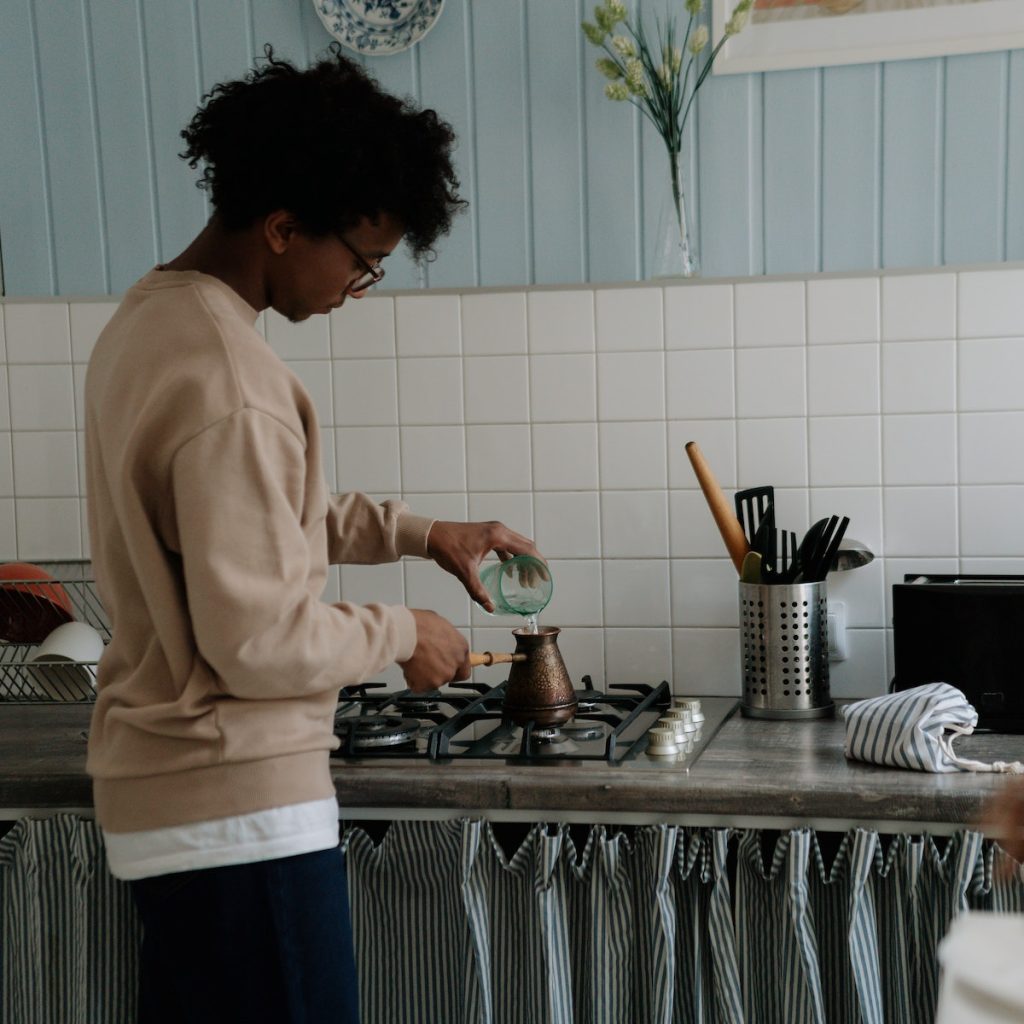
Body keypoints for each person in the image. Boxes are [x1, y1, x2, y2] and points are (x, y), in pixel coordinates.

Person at [83, 45, 541, 1024]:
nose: (358, 287)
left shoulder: (149, 323)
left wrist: (424, 531)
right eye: (363, 261)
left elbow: (252, 515)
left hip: (182, 812)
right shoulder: (229, 378)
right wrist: (401, 632)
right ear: (284, 227)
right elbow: (256, 641)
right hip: (238, 815)